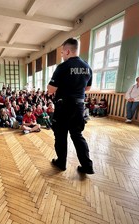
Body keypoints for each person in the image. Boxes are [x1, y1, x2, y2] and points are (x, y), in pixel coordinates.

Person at [47, 38, 94, 174]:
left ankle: (61, 162)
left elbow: (51, 89)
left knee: (61, 135)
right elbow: (88, 87)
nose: (62, 55)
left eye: (62, 53)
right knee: (77, 135)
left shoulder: (63, 67)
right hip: (79, 106)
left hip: (64, 106)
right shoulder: (87, 66)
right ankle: (87, 166)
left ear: (67, 51)